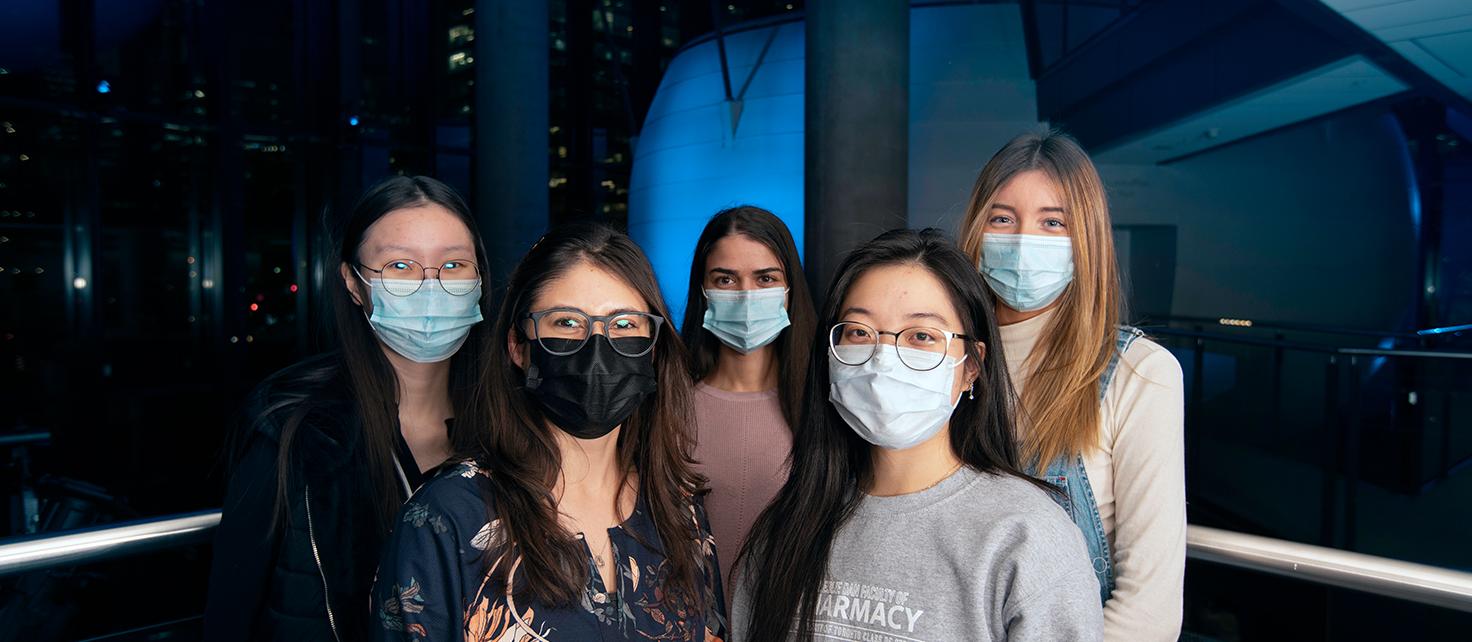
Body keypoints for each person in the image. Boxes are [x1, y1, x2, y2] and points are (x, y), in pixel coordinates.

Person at [732, 229, 1102, 641]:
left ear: (971, 366)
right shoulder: (785, 529)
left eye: (921, 336)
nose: (883, 359)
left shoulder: (1025, 535)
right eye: (859, 332)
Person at [371, 223, 728, 641]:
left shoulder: (678, 507)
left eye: (626, 324)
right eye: (566, 322)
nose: (598, 349)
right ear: (518, 347)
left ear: (654, 347)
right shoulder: (446, 518)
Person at [204, 175, 489, 642]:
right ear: (353, 284)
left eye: (453, 264)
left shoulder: (513, 426)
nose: (429, 286)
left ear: (479, 278)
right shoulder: (294, 429)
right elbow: (232, 611)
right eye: (400, 265)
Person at [958, 127, 1186, 641]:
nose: (1022, 242)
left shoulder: (1138, 372)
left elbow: (1148, 613)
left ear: (1086, 240)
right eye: (1002, 218)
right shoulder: (941, 356)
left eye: (1053, 222)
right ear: (975, 229)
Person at [678, 205, 815, 591]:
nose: (746, 295)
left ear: (790, 290)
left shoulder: (825, 405)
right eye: (725, 280)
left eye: (765, 278)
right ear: (703, 290)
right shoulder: (666, 405)